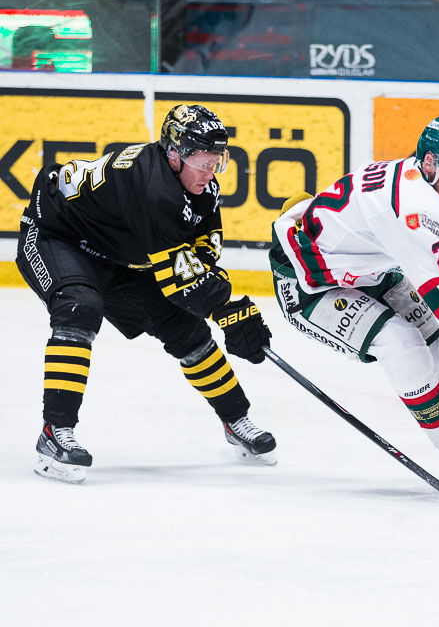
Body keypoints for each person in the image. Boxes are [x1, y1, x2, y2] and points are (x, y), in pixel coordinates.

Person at [269, 116, 439, 491]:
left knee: (437, 346)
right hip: (309, 282)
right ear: (430, 161)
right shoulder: (414, 203)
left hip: (370, 271)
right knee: (402, 344)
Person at [17, 104, 276, 483]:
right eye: (203, 160)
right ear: (174, 153)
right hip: (58, 237)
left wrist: (227, 305)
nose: (210, 170)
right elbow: (180, 281)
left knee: (186, 331)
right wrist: (228, 309)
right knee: (79, 308)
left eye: (215, 160)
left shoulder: (201, 188)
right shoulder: (152, 186)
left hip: (116, 256)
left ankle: (236, 420)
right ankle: (54, 433)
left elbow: (201, 252)